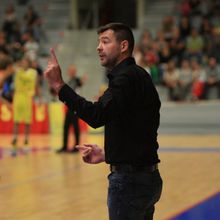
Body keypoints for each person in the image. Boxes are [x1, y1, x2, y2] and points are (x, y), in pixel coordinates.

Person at [44, 22, 162, 220]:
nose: (99, 47)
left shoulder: (125, 78)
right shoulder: (140, 76)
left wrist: (59, 86)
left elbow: (97, 116)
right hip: (148, 179)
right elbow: (139, 130)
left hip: (129, 183)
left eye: (105, 41)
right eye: (99, 42)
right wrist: (110, 155)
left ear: (123, 46)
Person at [57, 64, 87, 153]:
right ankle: (64, 146)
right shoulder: (69, 81)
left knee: (75, 127)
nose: (71, 72)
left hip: (75, 107)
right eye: (70, 70)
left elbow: (80, 84)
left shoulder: (76, 80)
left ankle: (76, 147)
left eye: (72, 70)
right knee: (66, 127)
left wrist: (83, 80)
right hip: (69, 106)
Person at [11, 56, 37, 155]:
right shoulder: (18, 71)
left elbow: (27, 78)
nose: (23, 64)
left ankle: (26, 139)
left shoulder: (32, 72)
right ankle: (15, 138)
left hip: (27, 98)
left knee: (27, 121)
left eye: (25, 62)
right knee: (16, 120)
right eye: (22, 62)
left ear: (28, 64)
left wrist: (19, 70)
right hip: (18, 97)